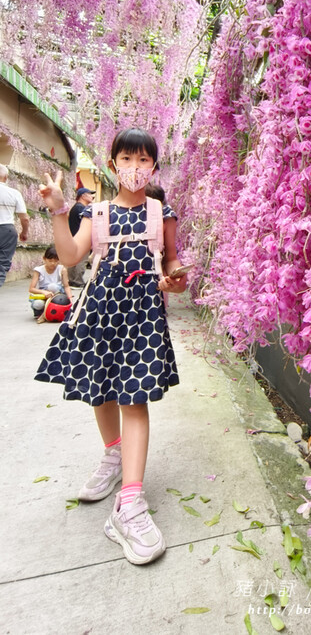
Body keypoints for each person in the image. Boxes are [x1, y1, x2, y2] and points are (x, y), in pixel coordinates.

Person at [35, 127, 189, 565]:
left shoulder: (162, 213)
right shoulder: (97, 213)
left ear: (154, 167)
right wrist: (57, 210)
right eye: (127, 159)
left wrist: (176, 278)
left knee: (134, 399)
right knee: (100, 391)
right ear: (112, 162)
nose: (135, 169)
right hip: (102, 313)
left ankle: (130, 502)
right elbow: (69, 258)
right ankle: (113, 453)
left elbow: (173, 261)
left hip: (142, 316)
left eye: (143, 161)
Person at [0, 163, 29, 287]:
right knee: (2, 264)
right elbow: (25, 218)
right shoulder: (14, 193)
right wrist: (24, 232)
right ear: (6, 177)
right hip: (7, 230)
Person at [28, 245, 73, 322]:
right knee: (38, 304)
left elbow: (66, 286)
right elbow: (31, 289)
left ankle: (54, 308)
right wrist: (44, 292)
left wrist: (70, 298)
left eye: (56, 261)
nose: (53, 263)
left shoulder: (62, 269)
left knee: (52, 286)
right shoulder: (39, 270)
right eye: (50, 261)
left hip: (57, 295)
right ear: (44, 259)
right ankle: (41, 313)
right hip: (43, 294)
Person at [67, 187, 95, 287]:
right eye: (90, 194)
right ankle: (78, 281)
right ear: (83, 196)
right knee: (81, 260)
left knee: (74, 260)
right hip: (81, 239)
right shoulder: (82, 209)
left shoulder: (75, 207)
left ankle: (71, 280)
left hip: (73, 237)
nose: (92, 196)